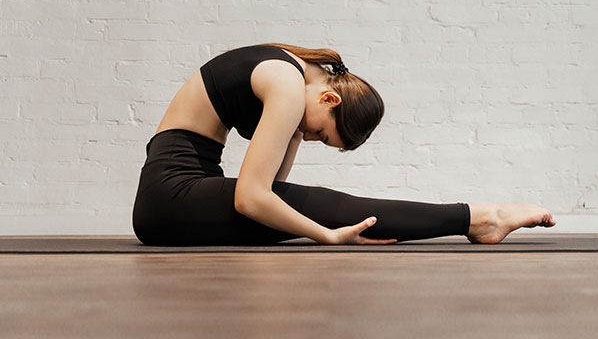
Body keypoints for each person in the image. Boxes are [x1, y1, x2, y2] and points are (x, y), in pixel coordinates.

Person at [132, 43, 556, 246]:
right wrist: (326, 236)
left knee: (307, 205)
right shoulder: (285, 81)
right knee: (327, 205)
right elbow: (251, 198)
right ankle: (481, 217)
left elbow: (273, 191)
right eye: (321, 133)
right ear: (330, 98)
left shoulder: (289, 70)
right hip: (171, 196)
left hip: (174, 194)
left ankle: (478, 218)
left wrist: (296, 133)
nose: (313, 137)